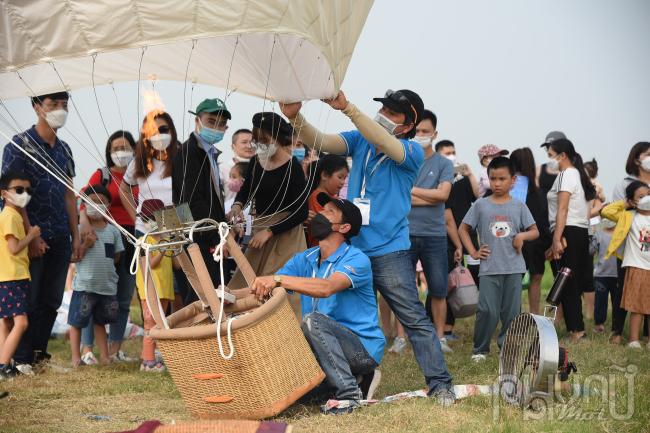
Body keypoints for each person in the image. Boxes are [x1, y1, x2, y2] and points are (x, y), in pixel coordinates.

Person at [281, 88, 455, 405]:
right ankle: (349, 378)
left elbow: (385, 141)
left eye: (392, 114)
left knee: (414, 319)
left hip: (391, 251)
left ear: (406, 125)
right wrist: (295, 117)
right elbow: (320, 141)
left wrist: (347, 107)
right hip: (353, 251)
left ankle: (441, 384)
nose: (384, 117)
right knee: (338, 319)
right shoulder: (360, 139)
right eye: (383, 110)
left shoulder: (410, 151)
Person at [251, 195, 384, 414]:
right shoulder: (306, 258)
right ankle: (351, 381)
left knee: (313, 321)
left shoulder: (357, 259)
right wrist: (228, 294)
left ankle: (349, 394)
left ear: (344, 227)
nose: (321, 213)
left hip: (362, 350)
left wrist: (276, 279)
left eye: (330, 212)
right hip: (323, 347)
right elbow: (270, 287)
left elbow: (326, 288)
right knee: (293, 398)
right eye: (322, 209)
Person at [2, 91, 80, 373]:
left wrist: (76, 235)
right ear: (37, 107)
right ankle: (20, 359)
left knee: (51, 299)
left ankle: (38, 354)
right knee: (29, 299)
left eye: (64, 105)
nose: (60, 110)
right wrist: (30, 237)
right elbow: (14, 194)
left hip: (60, 232)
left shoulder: (65, 149)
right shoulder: (19, 145)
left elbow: (70, 194)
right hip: (30, 234)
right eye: (53, 105)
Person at [459, 157, 539, 361]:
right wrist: (474, 252)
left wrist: (522, 236)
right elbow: (463, 229)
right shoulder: (480, 205)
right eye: (493, 178)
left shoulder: (519, 206)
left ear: (513, 180)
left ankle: (507, 348)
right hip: (489, 268)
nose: (497, 183)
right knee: (486, 310)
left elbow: (535, 231)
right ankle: (480, 350)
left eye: (502, 179)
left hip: (514, 268)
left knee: (512, 313)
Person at [228, 112, 309, 295]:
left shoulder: (292, 167)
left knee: (279, 287)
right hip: (259, 230)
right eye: (257, 140)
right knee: (245, 284)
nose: (259, 145)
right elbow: (246, 189)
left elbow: (301, 212)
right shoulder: (256, 162)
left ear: (278, 139)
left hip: (285, 235)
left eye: (264, 140)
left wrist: (270, 231)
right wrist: (237, 206)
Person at [78, 130, 137, 364]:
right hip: (105, 237)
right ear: (109, 152)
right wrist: (84, 225)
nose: (121, 153)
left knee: (124, 296)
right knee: (95, 294)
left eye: (126, 148)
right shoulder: (101, 175)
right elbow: (83, 200)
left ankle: (114, 349)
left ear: (134, 150)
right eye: (116, 148)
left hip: (132, 238)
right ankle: (87, 349)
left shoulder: (141, 177)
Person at [172, 99, 230, 295]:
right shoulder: (189, 152)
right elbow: (191, 200)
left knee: (212, 293)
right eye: (211, 121)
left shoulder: (209, 153)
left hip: (207, 233)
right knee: (202, 296)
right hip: (198, 235)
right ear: (198, 120)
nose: (217, 127)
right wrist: (215, 237)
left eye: (221, 124)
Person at [408, 109, 454, 353]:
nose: (421, 135)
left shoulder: (444, 163)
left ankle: (440, 337)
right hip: (404, 233)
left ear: (435, 134)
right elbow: (400, 198)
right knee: (405, 290)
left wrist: (412, 191)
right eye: (417, 131)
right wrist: (432, 196)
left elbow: (443, 195)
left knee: (438, 289)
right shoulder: (403, 160)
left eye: (425, 131)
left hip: (435, 235)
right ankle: (402, 338)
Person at [546, 138, 597, 343]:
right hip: (578, 231)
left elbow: (563, 208)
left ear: (563, 155)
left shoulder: (567, 174)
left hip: (568, 230)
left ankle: (577, 330)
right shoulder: (577, 174)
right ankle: (575, 329)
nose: (549, 159)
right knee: (571, 280)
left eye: (550, 155)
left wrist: (557, 238)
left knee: (567, 281)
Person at [67, 185, 123, 367]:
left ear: (108, 204)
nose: (97, 205)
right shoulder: (78, 230)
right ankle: (76, 358)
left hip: (107, 287)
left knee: (101, 322)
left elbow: (116, 256)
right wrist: (86, 244)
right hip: (84, 286)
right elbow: (73, 257)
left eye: (101, 202)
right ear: (84, 203)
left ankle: (105, 357)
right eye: (92, 201)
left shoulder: (113, 231)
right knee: (77, 321)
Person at [437, 140, 479, 340]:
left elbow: (477, 195)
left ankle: (448, 326)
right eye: (447, 153)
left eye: (453, 152)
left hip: (463, 236)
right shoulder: (437, 180)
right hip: (443, 237)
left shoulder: (461, 181)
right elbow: (446, 217)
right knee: (442, 283)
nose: (451, 156)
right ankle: (440, 327)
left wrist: (469, 173)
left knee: (458, 282)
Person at [608, 142, 650, 343]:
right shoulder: (625, 184)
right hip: (630, 254)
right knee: (625, 295)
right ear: (636, 158)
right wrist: (627, 203)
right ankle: (618, 332)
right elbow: (610, 212)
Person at [0, 172, 40, 379]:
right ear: (4, 193)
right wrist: (32, 235)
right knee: (21, 322)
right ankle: (2, 366)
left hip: (8, 275)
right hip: (13, 276)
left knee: (5, 322)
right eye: (18, 190)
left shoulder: (11, 215)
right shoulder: (10, 216)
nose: (24, 194)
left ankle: (2, 362)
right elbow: (14, 248)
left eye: (27, 190)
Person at [602, 181, 650, 348]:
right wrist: (625, 203)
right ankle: (633, 339)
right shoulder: (628, 216)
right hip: (636, 265)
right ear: (632, 200)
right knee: (636, 305)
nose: (646, 199)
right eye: (641, 197)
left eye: (648, 195)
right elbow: (606, 211)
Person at [510, 148, 551, 315]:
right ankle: (534, 315)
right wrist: (548, 244)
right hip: (535, 243)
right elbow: (543, 222)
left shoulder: (508, 191)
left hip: (512, 241)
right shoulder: (538, 193)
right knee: (535, 279)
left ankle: (514, 316)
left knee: (514, 282)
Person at [135, 206, 174, 372]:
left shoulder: (166, 241)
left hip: (164, 290)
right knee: (150, 325)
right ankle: (148, 362)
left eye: (153, 217)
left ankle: (152, 357)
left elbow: (177, 264)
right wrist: (163, 247)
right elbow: (149, 265)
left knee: (159, 325)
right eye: (145, 219)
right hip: (149, 291)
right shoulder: (143, 241)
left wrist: (178, 241)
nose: (150, 222)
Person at [306, 154, 349, 247]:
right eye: (340, 177)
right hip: (321, 247)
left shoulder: (335, 199)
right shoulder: (317, 197)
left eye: (345, 178)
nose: (343, 182)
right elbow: (323, 225)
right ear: (325, 175)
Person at [591, 219, 618, 334]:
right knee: (600, 301)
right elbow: (590, 250)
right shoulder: (598, 234)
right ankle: (599, 324)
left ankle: (617, 327)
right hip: (601, 275)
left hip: (618, 275)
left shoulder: (622, 234)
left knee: (617, 302)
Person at [220, 128, 255, 203]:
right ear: (233, 146)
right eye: (244, 142)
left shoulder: (264, 168)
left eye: (253, 142)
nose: (249, 146)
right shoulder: (222, 169)